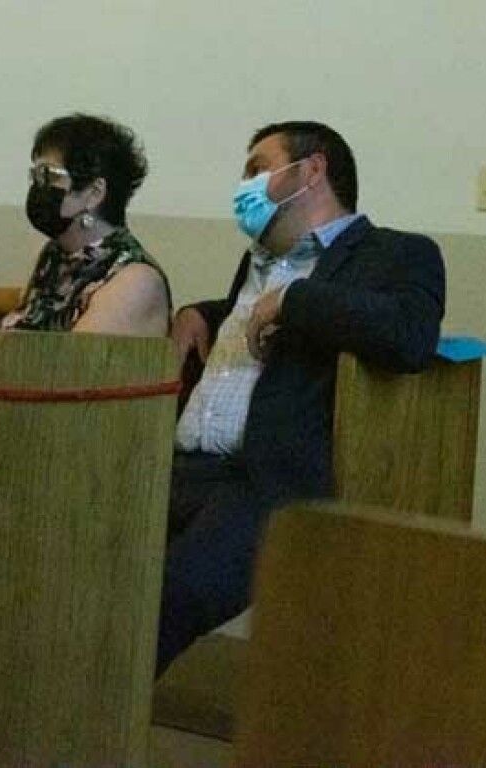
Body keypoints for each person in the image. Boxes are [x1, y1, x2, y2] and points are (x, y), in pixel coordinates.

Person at [156, 121, 446, 677]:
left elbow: (408, 334)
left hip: (261, 481)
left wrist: (295, 299)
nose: (243, 186)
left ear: (311, 171)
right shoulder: (261, 261)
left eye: (257, 168)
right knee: (84, 567)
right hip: (180, 467)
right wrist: (202, 312)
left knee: (167, 597)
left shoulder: (398, 253)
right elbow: (253, 318)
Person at [2, 113, 170, 336]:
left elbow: (67, 366)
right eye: (35, 176)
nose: (38, 187)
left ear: (94, 193)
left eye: (49, 176)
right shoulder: (58, 255)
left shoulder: (134, 280)